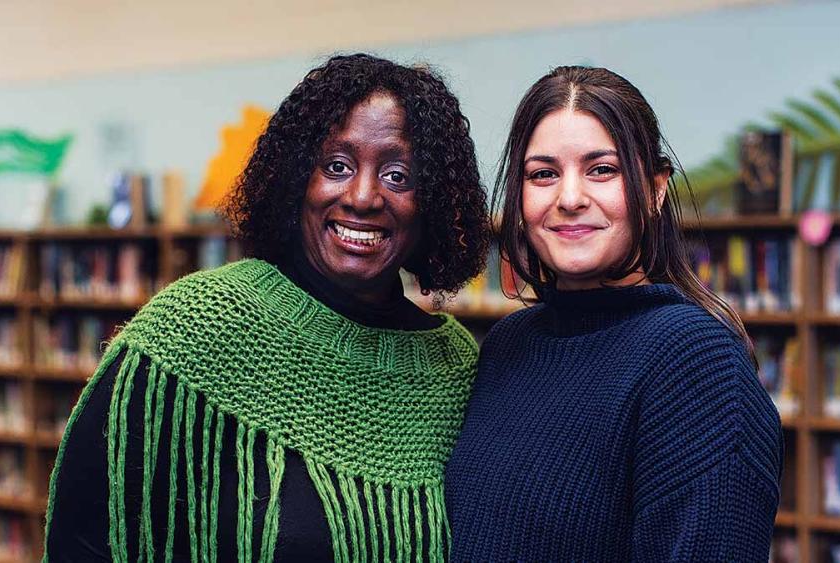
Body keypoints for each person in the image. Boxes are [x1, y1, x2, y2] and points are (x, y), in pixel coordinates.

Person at [44, 53, 491, 563]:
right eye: (337, 166)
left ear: (432, 201)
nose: (363, 197)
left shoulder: (452, 365)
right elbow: (82, 540)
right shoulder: (198, 325)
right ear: (295, 179)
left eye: (397, 175)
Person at [445, 66, 783, 561]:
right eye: (543, 174)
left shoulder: (697, 365)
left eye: (602, 169)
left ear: (654, 188)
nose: (570, 198)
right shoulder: (507, 344)